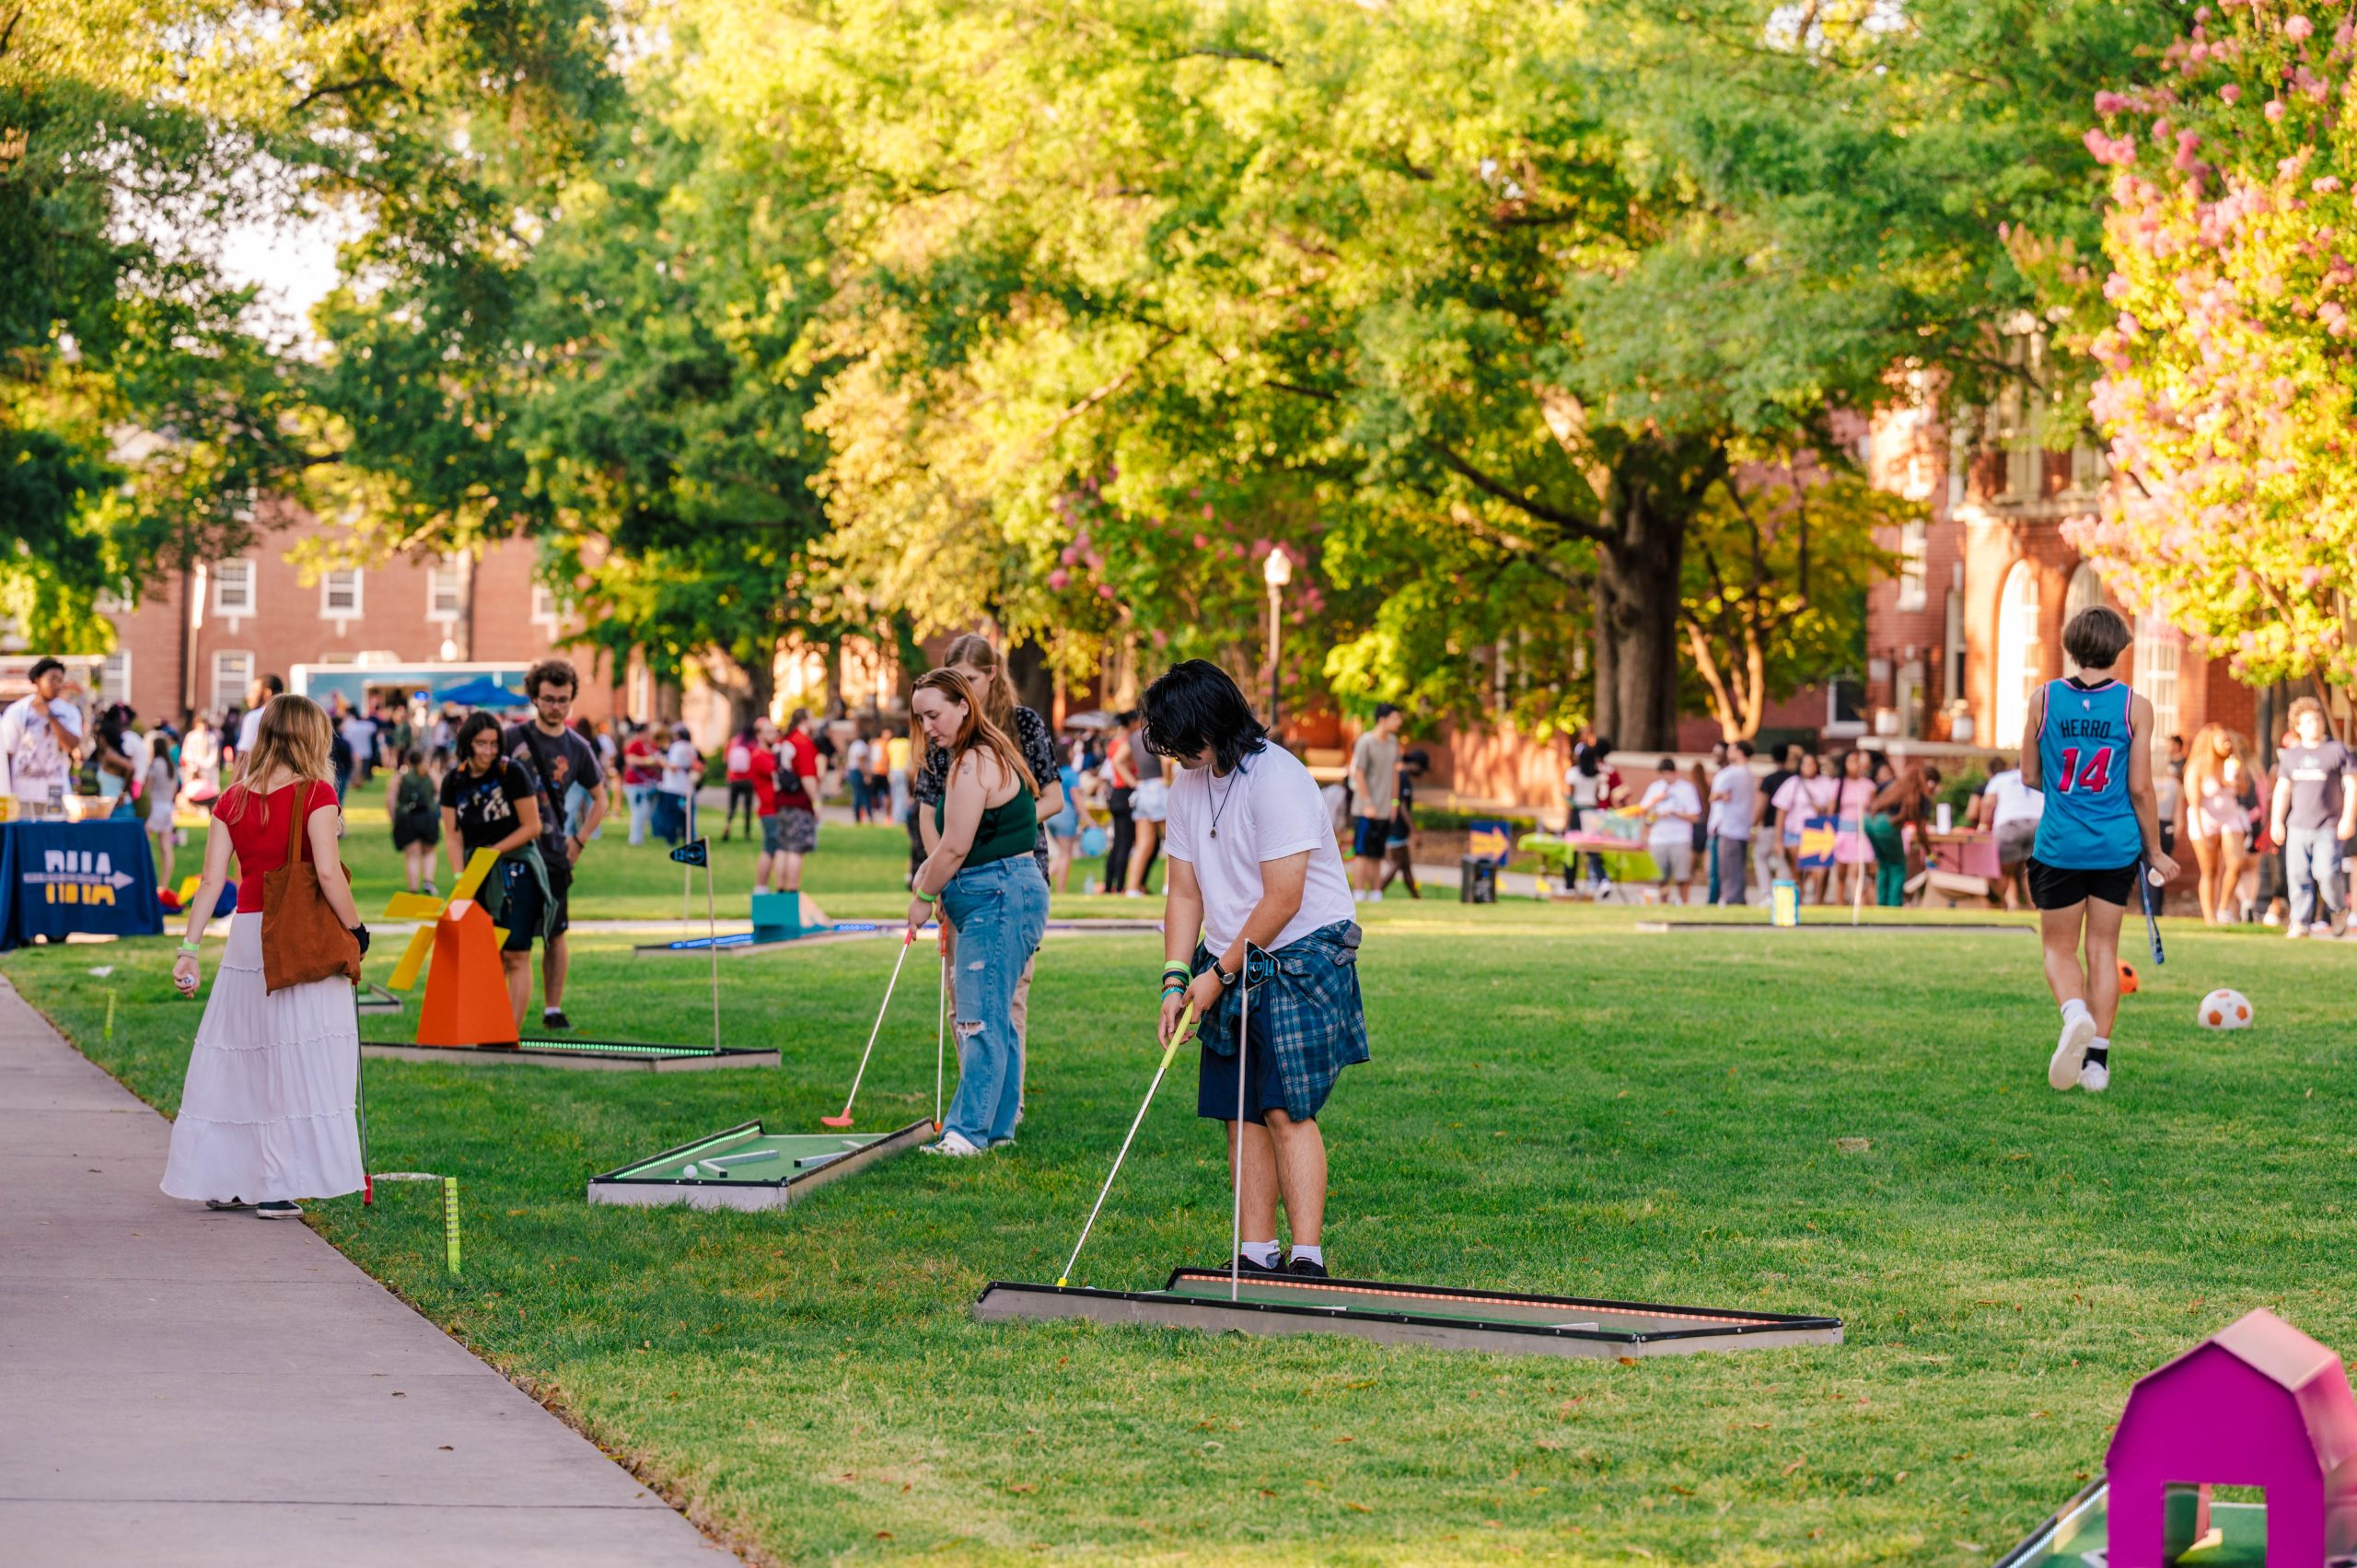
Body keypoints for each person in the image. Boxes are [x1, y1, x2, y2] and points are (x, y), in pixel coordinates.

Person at [1152, 660, 1366, 1279]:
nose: (1173, 753)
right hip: (1230, 953)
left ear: (1210, 725)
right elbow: (1184, 891)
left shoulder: (1277, 778)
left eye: (1178, 739)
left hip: (1302, 951)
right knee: (1237, 1110)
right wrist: (1175, 977)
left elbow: (1284, 897)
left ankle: (1306, 1258)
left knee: (1284, 1107)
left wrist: (1215, 975)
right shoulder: (1186, 785)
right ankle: (1254, 1253)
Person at [163, 694, 368, 1219]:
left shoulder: (231, 800)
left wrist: (189, 949)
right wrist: (357, 928)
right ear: (311, 737)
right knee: (294, 1057)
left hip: (247, 935)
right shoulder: (317, 792)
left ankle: (229, 1177)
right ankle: (277, 1184)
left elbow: (212, 882)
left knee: (244, 1053)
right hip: (297, 935)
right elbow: (326, 873)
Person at [2023, 605, 2178, 1095]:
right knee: (2103, 951)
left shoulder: (2043, 699)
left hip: (2060, 845)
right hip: (2114, 845)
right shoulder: (2136, 706)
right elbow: (2140, 788)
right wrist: (2154, 850)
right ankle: (2097, 1066)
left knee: (2058, 948)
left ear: (2071, 646)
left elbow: (2028, 775)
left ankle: (2073, 1015)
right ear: (2119, 648)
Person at [904, 668, 1050, 1156]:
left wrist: (923, 898)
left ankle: (966, 1134)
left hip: (999, 897)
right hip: (998, 896)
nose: (928, 726)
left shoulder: (972, 763)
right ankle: (998, 1129)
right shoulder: (975, 755)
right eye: (921, 717)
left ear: (964, 705)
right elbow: (949, 844)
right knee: (996, 1019)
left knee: (978, 1021)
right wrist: (931, 874)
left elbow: (955, 849)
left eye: (935, 714)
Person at [502, 660, 606, 1032]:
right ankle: (501, 1008)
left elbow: (601, 799)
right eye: (548, 699)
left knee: (555, 933)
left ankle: (552, 1008)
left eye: (563, 700)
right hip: (511, 852)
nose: (556, 706)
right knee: (507, 937)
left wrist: (579, 839)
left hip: (553, 853)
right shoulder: (510, 739)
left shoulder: (578, 747)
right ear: (534, 698)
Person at [439, 711, 545, 1034]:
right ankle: (489, 1026)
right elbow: (453, 835)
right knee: (485, 953)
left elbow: (533, 826)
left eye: (493, 744)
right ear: (466, 744)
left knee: (516, 952)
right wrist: (462, 879)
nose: (487, 751)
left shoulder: (510, 772)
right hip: (475, 873)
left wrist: (494, 851)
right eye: (480, 743)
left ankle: (508, 1033)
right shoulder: (453, 780)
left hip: (516, 868)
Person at [2269, 696, 2357, 939]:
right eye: (2308, 721)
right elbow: (2283, 790)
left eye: (2317, 719)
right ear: (2297, 726)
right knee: (2298, 875)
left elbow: (2352, 785)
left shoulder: (2337, 750)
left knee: (2326, 872)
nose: (2315, 725)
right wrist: (2277, 820)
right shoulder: (2291, 756)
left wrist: (2348, 818)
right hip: (2297, 825)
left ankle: (2338, 910)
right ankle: (2300, 922)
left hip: (2328, 825)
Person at [2182, 725, 2255, 925]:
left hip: (2229, 817)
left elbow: (2243, 790)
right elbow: (2194, 802)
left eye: (2229, 740)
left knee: (2236, 863)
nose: (2228, 744)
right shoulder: (2198, 766)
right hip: (2204, 819)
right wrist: (2202, 833)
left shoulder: (2232, 763)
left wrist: (2236, 780)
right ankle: (2209, 917)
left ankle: (2223, 908)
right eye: (2223, 740)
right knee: (2210, 870)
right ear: (2211, 743)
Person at [0, 657, 86, 819]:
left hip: (55, 790)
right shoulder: (17, 711)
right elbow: (8, 753)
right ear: (38, 679)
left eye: (61, 680)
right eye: (52, 679)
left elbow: (71, 745)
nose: (57, 685)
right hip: (22, 793)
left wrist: (50, 716)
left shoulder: (69, 712)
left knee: (54, 839)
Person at [761, 710, 823, 896]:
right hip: (799, 801)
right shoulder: (802, 742)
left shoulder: (783, 742)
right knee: (796, 848)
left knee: (782, 847)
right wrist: (816, 803)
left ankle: (780, 889)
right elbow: (808, 777)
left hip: (781, 801)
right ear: (804, 720)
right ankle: (792, 890)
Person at [1346, 704, 1405, 901]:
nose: (1399, 723)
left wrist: (1395, 802)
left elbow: (1395, 773)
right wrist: (1368, 803)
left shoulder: (1393, 742)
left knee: (1377, 852)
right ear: (1382, 720)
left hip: (1385, 809)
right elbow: (1359, 773)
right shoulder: (1366, 741)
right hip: (1365, 809)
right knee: (1362, 851)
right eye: (1395, 718)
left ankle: (1376, 891)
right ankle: (1359, 891)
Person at [1865, 762, 1942, 907]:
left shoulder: (1897, 785)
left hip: (1869, 821)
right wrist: (1931, 854)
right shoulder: (1921, 795)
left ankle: (1881, 906)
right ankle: (1893, 907)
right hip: (1886, 825)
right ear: (1931, 783)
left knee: (1884, 865)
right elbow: (1921, 831)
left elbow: (1873, 793)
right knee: (1898, 867)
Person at [1980, 759, 2046, 912]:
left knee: (2004, 871)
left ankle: (1997, 907)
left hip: (2009, 823)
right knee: (2029, 872)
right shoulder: (2041, 778)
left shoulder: (2001, 778)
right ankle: (2035, 910)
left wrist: (1983, 825)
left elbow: (1988, 803)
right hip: (2039, 823)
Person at [1771, 752, 1839, 904]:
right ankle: (1798, 903)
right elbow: (1781, 813)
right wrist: (1778, 840)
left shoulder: (1826, 783)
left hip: (1818, 833)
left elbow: (1833, 808)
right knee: (1798, 874)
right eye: (1805, 764)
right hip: (1795, 833)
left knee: (1819, 872)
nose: (1809, 767)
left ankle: (1817, 903)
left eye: (1812, 764)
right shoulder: (1792, 783)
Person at [1637, 757, 1701, 903]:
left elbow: (1695, 816)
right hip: (1659, 837)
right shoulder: (1655, 788)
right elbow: (1643, 811)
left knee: (1682, 876)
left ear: (1675, 772)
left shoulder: (1686, 788)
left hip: (1680, 837)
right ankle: (1662, 903)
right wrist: (1656, 806)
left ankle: (1684, 903)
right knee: (1660, 876)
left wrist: (1675, 813)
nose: (1666, 777)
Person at [387, 748, 441, 895]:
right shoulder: (431, 775)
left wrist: (394, 819)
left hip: (408, 818)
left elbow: (390, 800)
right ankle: (428, 882)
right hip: (428, 817)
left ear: (408, 760)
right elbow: (440, 794)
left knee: (412, 855)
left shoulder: (400, 777)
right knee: (429, 852)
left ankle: (413, 888)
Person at [1710, 740, 1758, 908]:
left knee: (1727, 868)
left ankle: (1731, 899)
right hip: (1742, 827)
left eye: (1732, 749)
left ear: (1740, 752)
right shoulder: (1749, 775)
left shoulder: (1731, 774)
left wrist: (1720, 797)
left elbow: (1714, 797)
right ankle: (1738, 898)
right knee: (1738, 867)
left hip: (1728, 826)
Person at [1378, 749, 1428, 899]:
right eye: (1422, 769)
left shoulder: (1398, 776)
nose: (1422, 773)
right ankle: (1377, 891)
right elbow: (1402, 807)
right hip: (1396, 828)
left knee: (1405, 866)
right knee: (1397, 863)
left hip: (1395, 828)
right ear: (1415, 765)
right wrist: (1414, 831)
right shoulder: (1402, 778)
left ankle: (1416, 897)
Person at [1751, 744, 1801, 893]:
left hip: (1770, 825)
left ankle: (1767, 892)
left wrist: (1753, 824)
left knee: (1760, 857)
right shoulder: (1793, 779)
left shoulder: (1769, 780)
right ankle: (1783, 890)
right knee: (1784, 861)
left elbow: (1762, 804)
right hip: (1789, 827)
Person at [1832, 750, 1877, 907]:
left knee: (1856, 872)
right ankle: (1840, 904)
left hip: (1860, 833)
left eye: (1858, 761)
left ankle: (1860, 903)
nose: (1856, 765)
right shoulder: (1838, 784)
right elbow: (1832, 811)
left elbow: (1873, 810)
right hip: (1843, 832)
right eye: (1852, 761)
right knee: (1841, 873)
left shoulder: (1868, 785)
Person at [1103, 711, 1140, 896]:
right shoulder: (1129, 742)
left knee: (1118, 843)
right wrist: (1135, 782)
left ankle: (1110, 884)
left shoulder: (1114, 742)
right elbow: (1120, 764)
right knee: (1124, 843)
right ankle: (1119, 886)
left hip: (1115, 793)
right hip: (1125, 791)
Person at [143, 723, 178, 889]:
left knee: (145, 844)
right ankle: (164, 884)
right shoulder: (171, 765)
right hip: (168, 807)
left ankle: (146, 880)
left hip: (155, 807)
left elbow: (147, 788)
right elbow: (175, 788)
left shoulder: (155, 764)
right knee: (166, 847)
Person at [658, 724, 699, 844]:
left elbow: (673, 766)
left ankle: (671, 838)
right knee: (686, 816)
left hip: (673, 787)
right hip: (686, 787)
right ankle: (689, 837)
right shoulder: (691, 748)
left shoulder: (677, 747)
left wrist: (661, 761)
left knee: (671, 816)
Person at [621, 723, 659, 844]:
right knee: (639, 811)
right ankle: (635, 839)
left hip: (649, 783)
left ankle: (640, 837)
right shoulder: (634, 745)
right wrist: (649, 761)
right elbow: (631, 760)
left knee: (648, 812)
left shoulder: (651, 746)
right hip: (635, 783)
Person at [721, 726, 757, 842]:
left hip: (734, 779)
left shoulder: (733, 742)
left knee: (732, 806)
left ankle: (727, 826)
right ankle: (747, 833)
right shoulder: (752, 744)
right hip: (748, 780)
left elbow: (725, 760)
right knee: (747, 808)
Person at [236, 672, 283, 756]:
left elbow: (243, 754)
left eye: (254, 691)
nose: (248, 696)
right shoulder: (288, 717)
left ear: (267, 693)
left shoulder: (253, 717)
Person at [180, 712, 221, 804]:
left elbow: (214, 753)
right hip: (194, 767)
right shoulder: (191, 736)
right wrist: (194, 764)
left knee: (212, 788)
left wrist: (206, 764)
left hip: (208, 768)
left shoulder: (211, 737)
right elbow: (187, 752)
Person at [846, 726, 875, 824]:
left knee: (858, 795)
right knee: (864, 795)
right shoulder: (861, 746)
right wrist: (867, 775)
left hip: (852, 771)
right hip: (857, 772)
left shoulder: (855, 744)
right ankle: (868, 816)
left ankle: (858, 818)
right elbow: (861, 762)